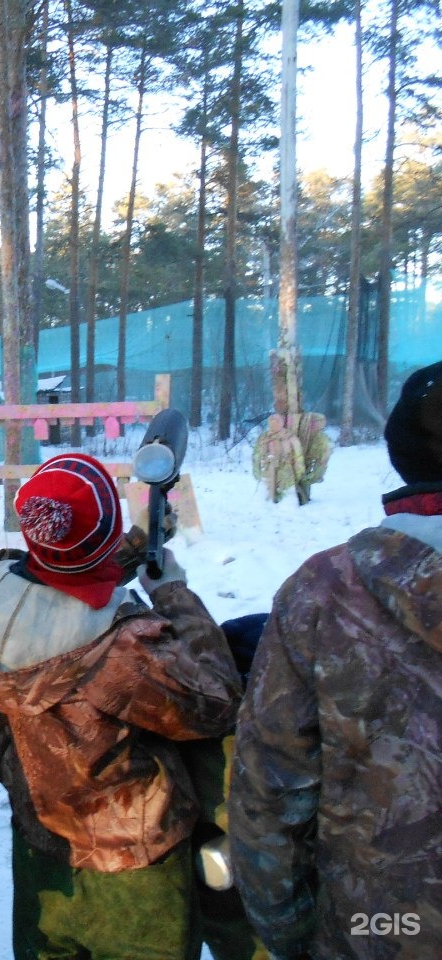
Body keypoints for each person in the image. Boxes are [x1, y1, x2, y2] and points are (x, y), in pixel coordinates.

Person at [0, 452, 242, 960]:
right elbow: (216, 702)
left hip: (42, 843)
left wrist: (134, 547)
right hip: (133, 865)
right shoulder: (120, 649)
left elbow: (56, 581)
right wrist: (174, 593)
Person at [229, 360, 442, 960]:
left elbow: (271, 790)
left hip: (379, 931)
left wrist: (288, 932)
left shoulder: (321, 592)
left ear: (401, 455)